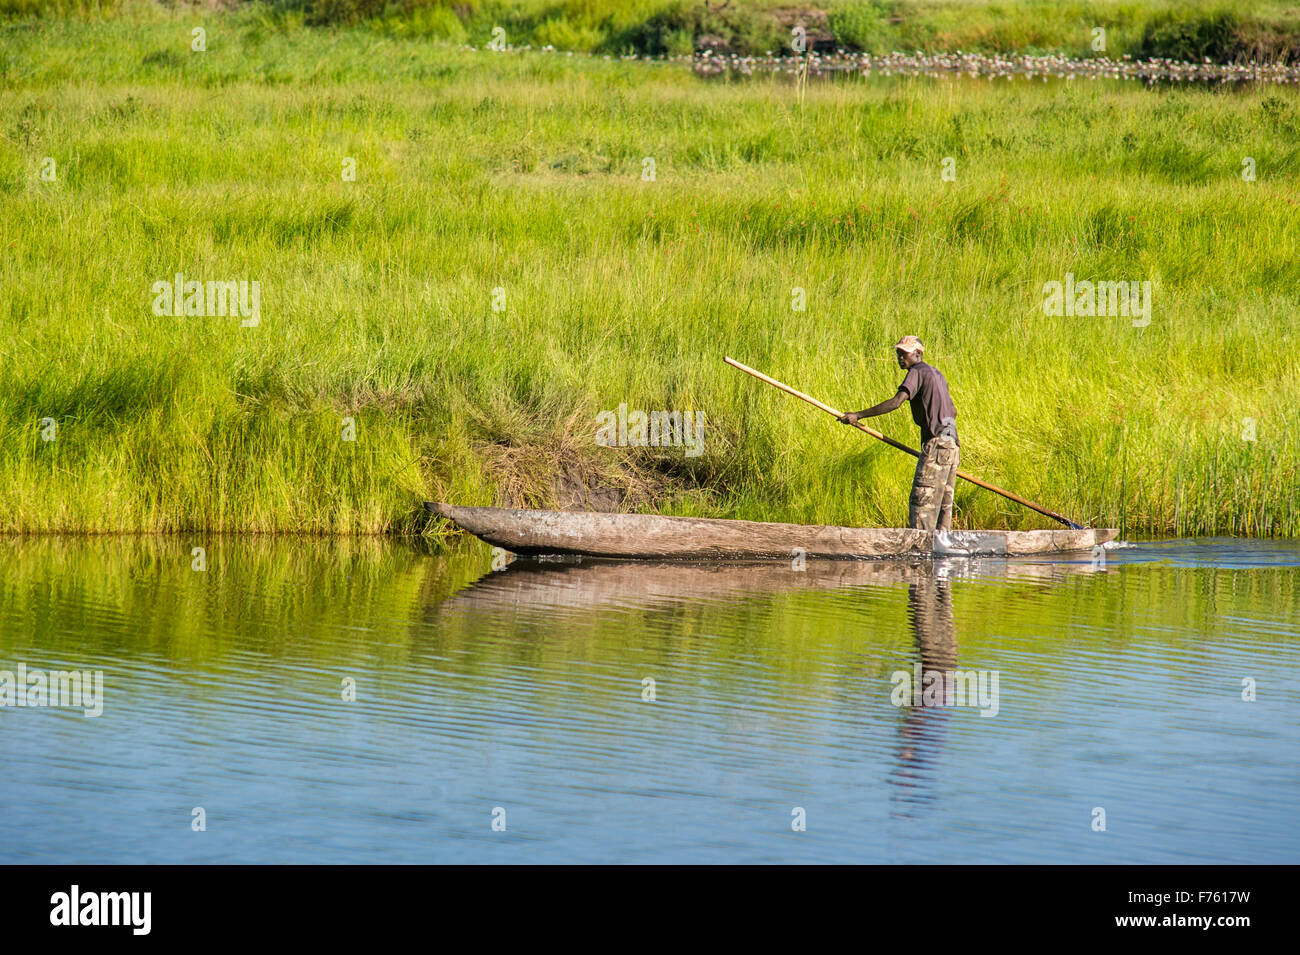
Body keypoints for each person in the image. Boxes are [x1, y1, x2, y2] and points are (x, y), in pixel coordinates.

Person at [839, 336, 959, 532]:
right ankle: (941, 555)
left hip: (937, 446)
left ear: (918, 354)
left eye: (904, 353)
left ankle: (920, 555)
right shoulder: (937, 374)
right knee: (942, 512)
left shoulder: (917, 371)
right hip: (952, 447)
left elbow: (896, 402)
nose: (900, 357)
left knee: (922, 507)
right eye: (898, 353)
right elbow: (953, 412)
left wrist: (858, 415)